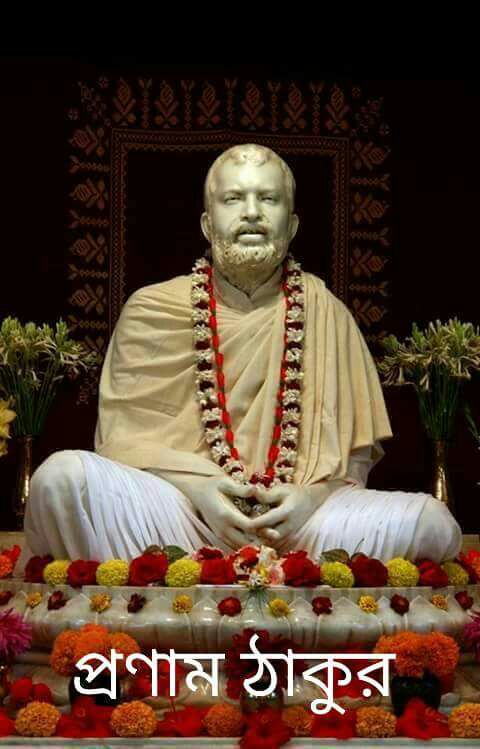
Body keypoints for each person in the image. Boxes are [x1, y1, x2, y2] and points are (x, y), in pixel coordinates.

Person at [24, 144, 461, 563]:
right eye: (233, 199)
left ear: (292, 225)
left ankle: (210, 579)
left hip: (302, 526)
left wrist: (309, 498)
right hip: (179, 514)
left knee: (432, 524)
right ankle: (194, 570)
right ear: (206, 223)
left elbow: (352, 465)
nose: (251, 212)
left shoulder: (328, 314)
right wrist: (199, 490)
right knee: (59, 481)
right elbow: (121, 444)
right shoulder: (151, 309)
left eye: (268, 199)